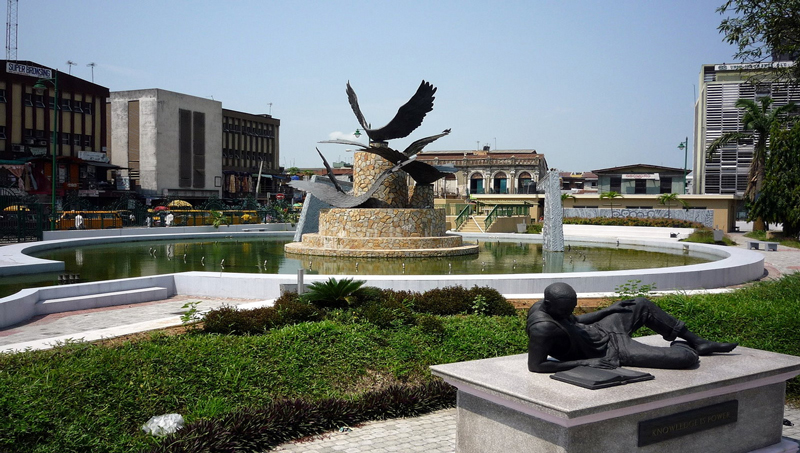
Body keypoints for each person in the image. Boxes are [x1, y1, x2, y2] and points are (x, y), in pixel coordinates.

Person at [527, 282, 737, 373]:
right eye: (565, 311)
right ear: (548, 305)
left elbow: (578, 321)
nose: (569, 313)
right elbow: (536, 366)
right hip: (610, 349)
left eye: (571, 308)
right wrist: (589, 362)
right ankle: (684, 348)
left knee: (640, 304)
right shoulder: (543, 328)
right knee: (685, 360)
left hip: (602, 329)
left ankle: (697, 341)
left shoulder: (550, 306)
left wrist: (609, 311)